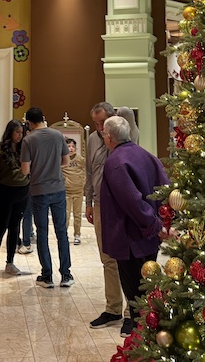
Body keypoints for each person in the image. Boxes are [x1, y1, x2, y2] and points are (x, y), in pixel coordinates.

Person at [100, 114, 168, 336]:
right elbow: (165, 188)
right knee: (148, 288)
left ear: (109, 137)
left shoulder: (115, 162)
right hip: (149, 238)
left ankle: (141, 342)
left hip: (130, 238)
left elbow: (132, 201)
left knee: (135, 294)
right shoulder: (146, 155)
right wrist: (162, 222)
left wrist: (152, 223)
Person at [85, 102, 140, 329]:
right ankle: (113, 309)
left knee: (126, 258)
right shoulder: (91, 140)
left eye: (102, 122)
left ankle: (131, 312)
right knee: (107, 258)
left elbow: (127, 113)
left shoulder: (124, 136)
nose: (99, 127)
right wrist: (88, 202)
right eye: (95, 123)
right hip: (99, 204)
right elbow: (89, 172)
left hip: (121, 205)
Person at [21, 107, 72, 288]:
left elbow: (25, 170)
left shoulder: (28, 140)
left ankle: (47, 275)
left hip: (38, 191)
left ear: (29, 123)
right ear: (43, 118)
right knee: (62, 232)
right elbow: (66, 161)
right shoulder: (58, 135)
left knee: (42, 233)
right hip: (58, 188)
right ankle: (66, 274)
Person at [0, 119, 30, 279]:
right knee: (1, 227)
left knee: (15, 227)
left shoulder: (25, 149)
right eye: (17, 132)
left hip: (22, 193)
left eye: (21, 133)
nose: (19, 135)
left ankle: (10, 262)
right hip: (3, 193)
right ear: (10, 132)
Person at [62, 138, 86, 245]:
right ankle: (64, 234)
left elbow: (85, 171)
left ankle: (77, 234)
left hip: (78, 191)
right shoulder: (62, 159)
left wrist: (83, 183)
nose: (71, 149)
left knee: (77, 214)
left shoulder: (80, 159)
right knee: (65, 215)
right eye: (68, 146)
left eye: (72, 146)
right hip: (66, 191)